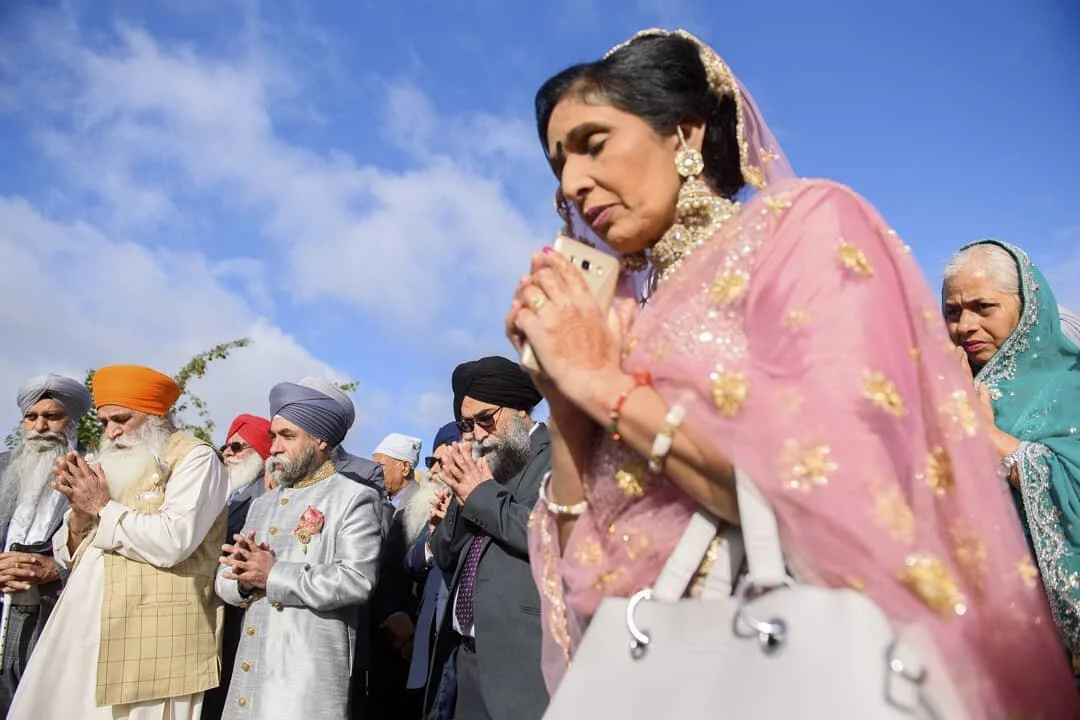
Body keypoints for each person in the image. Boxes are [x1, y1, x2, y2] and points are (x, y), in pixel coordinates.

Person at [506, 28, 1078, 718]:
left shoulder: (799, 229)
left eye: (593, 144)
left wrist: (602, 382)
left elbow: (834, 487)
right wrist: (566, 398)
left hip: (779, 661)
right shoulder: (619, 315)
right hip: (649, 667)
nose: (572, 183)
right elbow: (584, 568)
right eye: (558, 163)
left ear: (684, 132)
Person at [8, 364, 228, 719]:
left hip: (154, 634)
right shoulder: (107, 459)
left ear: (157, 413)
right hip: (83, 626)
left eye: (121, 419)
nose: (111, 432)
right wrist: (79, 515)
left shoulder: (196, 458)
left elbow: (174, 542)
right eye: (105, 421)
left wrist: (99, 505)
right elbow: (71, 555)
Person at [943, 240, 1080, 669]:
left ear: (1027, 309)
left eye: (983, 308)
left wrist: (985, 436)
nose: (965, 325)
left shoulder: (1071, 388)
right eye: (952, 311)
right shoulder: (940, 388)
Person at [215, 380, 383, 720]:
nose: (273, 446)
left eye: (287, 436)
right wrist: (244, 582)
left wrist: (274, 574)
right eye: (273, 436)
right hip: (251, 671)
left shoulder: (353, 498)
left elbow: (356, 580)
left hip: (305, 680)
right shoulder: (262, 504)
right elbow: (224, 580)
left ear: (321, 440)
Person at [425, 356, 551, 720]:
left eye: (486, 419)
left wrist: (479, 494)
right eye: (467, 424)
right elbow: (446, 555)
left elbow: (548, 534)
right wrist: (462, 497)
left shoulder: (559, 455)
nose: (477, 433)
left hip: (525, 657)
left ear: (522, 409)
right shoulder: (482, 464)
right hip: (465, 658)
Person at [0, 374, 92, 713]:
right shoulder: (2, 468)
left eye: (53, 416)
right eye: (32, 417)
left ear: (72, 422)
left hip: (51, 620)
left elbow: (103, 547)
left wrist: (57, 568)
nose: (40, 426)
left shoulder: (91, 472)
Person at [203, 412, 272, 720]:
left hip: (242, 616)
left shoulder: (265, 496)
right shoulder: (228, 492)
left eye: (237, 447)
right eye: (225, 447)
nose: (227, 454)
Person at [404, 422, 459, 719]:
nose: (433, 470)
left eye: (440, 461)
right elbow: (412, 563)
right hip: (427, 643)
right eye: (430, 461)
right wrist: (434, 537)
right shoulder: (434, 510)